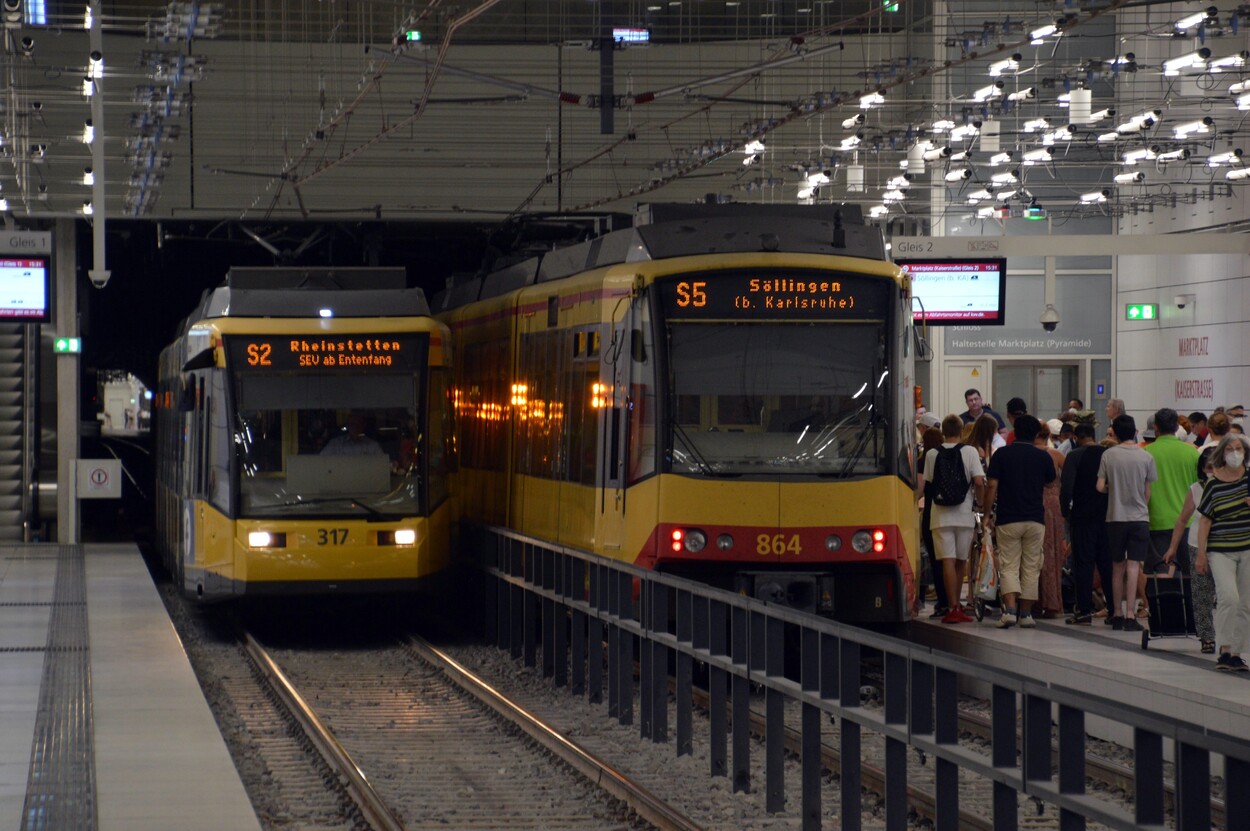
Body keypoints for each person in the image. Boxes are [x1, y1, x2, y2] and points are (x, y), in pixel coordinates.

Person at [984, 415, 1055, 628]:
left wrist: (986, 514)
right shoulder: (1043, 457)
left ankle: (1010, 611)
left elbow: (992, 486)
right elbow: (1051, 483)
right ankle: (1026, 614)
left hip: (1008, 517)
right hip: (1035, 518)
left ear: (1014, 430)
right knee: (1032, 566)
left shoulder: (1002, 455)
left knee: (1009, 564)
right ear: (1036, 434)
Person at [922, 415, 986, 624]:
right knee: (961, 561)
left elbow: (929, 483)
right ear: (960, 430)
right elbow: (978, 480)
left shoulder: (932, 454)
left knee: (946, 562)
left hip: (939, 515)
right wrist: (981, 503)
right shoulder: (970, 452)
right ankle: (958, 606)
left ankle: (952, 607)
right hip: (964, 513)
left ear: (943, 432)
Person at [1194, 434, 1250, 671]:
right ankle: (1224, 648)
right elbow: (1205, 521)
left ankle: (1236, 652)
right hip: (1221, 551)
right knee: (1229, 597)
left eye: (1239, 449)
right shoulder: (1213, 485)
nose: (1235, 453)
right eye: (1231, 449)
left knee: (1246, 603)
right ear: (1222, 455)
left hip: (1247, 547)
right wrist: (1201, 554)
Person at [1097, 414, 1157, 633]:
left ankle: (1117, 614)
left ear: (1115, 432)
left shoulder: (1109, 455)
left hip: (1115, 517)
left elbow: (1099, 486)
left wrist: (1114, 491)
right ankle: (1132, 614)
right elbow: (1147, 492)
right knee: (1134, 566)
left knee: (1117, 566)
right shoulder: (1146, 457)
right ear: (1134, 432)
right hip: (1139, 518)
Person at [1162, 447, 1219, 652]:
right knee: (1201, 593)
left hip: (1225, 547)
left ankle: (1230, 638)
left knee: (1228, 596)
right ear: (1202, 469)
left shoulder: (1232, 487)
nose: (1211, 471)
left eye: (1215, 467)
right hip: (1197, 545)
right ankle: (1207, 636)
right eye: (1208, 468)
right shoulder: (1195, 489)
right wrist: (1172, 548)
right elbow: (1182, 521)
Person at [1061, 423, 1110, 624]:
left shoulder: (1074, 456)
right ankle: (1114, 609)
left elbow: (1067, 488)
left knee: (1083, 564)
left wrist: (1066, 513)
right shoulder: (1107, 454)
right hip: (1107, 517)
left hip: (1082, 518)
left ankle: (1084, 611)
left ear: (1076, 437)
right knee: (1106, 564)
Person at [1143, 408, 1199, 575]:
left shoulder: (1146, 453)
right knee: (1189, 576)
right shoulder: (1192, 452)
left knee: (1162, 573)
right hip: (1188, 521)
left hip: (1157, 520)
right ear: (1176, 427)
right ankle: (1189, 603)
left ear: (1155, 427)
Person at [1033, 421, 1066, 618]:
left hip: (1035, 502)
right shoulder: (1057, 455)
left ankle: (1035, 600)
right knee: (1053, 554)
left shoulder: (1029, 455)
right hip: (1054, 506)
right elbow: (1070, 478)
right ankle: (1053, 601)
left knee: (1034, 553)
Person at [916, 425, 948, 617]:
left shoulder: (924, 459)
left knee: (936, 560)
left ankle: (942, 602)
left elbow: (919, 490)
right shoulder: (948, 457)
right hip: (952, 512)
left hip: (931, 513)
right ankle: (952, 601)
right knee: (951, 559)